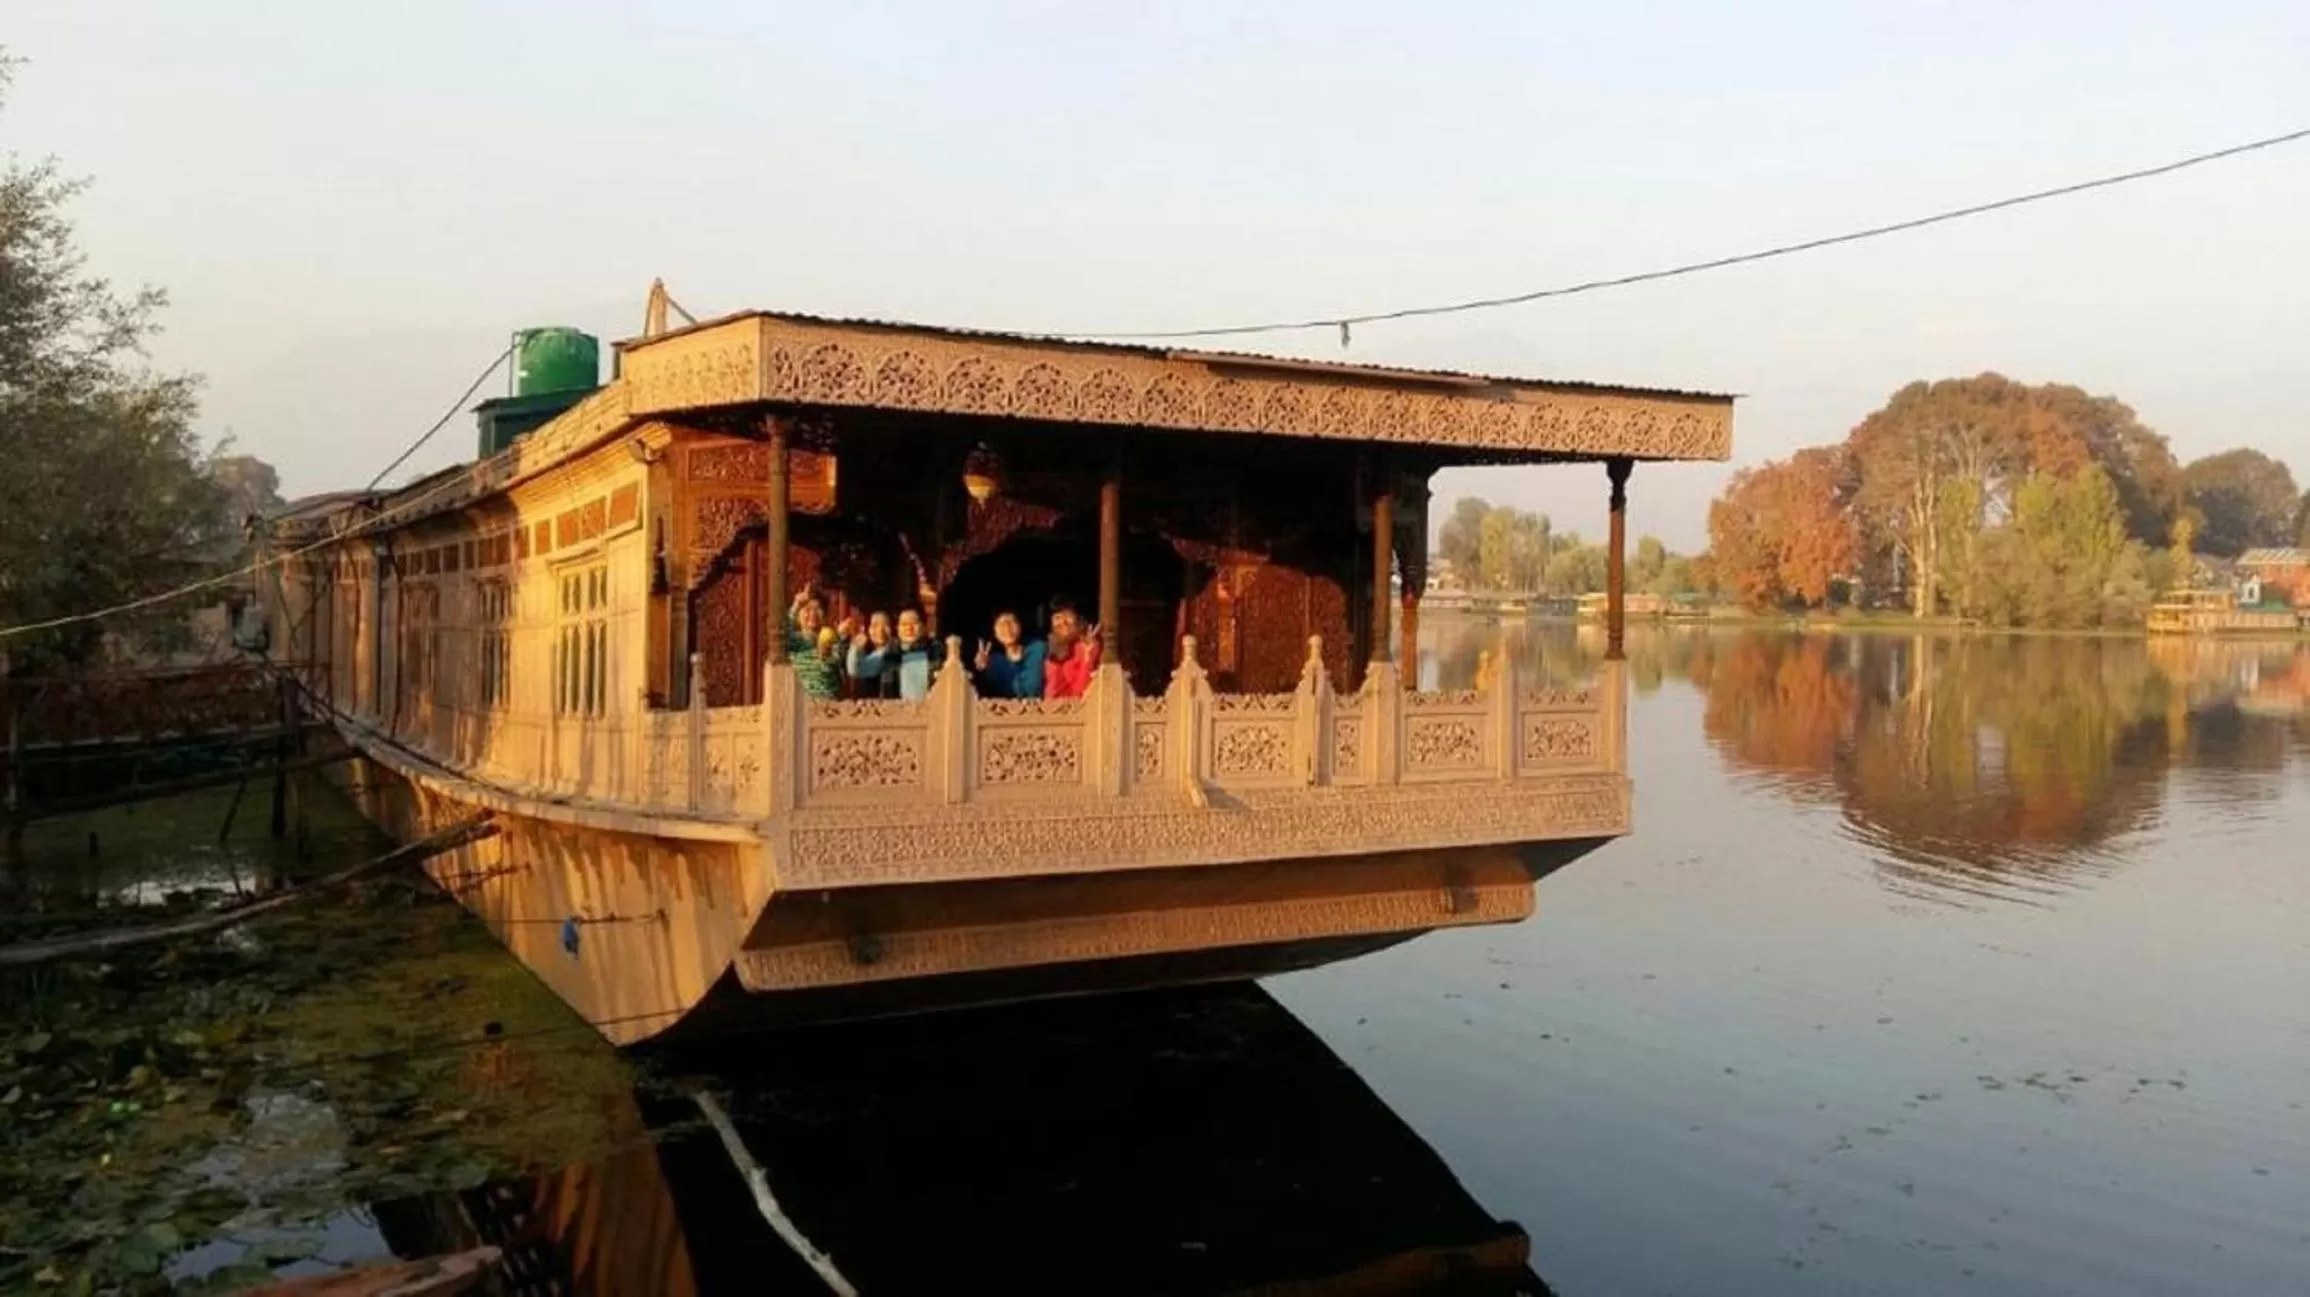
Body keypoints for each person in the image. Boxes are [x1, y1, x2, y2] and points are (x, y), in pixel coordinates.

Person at [852, 608, 936, 701]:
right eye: (904, 624)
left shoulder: (935, 653)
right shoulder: (890, 652)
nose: (909, 628)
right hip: (895, 711)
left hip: (928, 711)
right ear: (898, 629)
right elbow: (858, 669)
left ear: (924, 627)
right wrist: (856, 649)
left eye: (914, 623)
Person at [785, 585, 844, 701]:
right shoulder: (795, 641)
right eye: (807, 609)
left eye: (818, 609)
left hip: (827, 703)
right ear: (798, 616)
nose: (813, 614)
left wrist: (825, 655)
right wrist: (796, 604)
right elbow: (782, 632)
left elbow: (830, 670)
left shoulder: (832, 639)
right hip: (799, 704)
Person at [972, 609, 1047, 699]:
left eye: (1012, 622)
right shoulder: (993, 662)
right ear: (995, 633)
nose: (1007, 628)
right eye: (1001, 624)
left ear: (1020, 626)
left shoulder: (1038, 649)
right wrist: (981, 671)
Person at [1040, 599, 1101, 700]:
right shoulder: (1045, 649)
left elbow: (1080, 693)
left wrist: (1088, 657)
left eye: (1068, 616)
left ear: (1077, 619)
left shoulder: (1087, 646)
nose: (1063, 622)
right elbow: (1051, 695)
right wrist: (1055, 660)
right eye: (1057, 617)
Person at [844, 611, 894, 697]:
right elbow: (854, 670)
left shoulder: (895, 650)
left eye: (885, 625)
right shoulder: (865, 652)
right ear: (867, 630)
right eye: (875, 625)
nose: (880, 630)